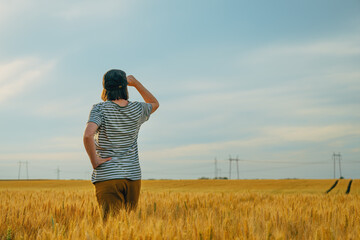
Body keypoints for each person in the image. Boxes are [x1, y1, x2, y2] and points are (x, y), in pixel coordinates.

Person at [83, 69, 159, 219]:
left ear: (105, 87)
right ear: (125, 86)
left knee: (111, 228)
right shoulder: (137, 108)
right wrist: (136, 83)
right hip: (133, 177)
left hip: (108, 176)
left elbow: (88, 135)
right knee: (128, 225)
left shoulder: (100, 109)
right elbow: (154, 103)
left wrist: (95, 161)